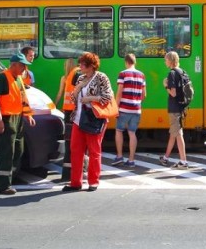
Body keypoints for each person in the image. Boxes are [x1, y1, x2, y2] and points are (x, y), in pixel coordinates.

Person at [62, 52, 114, 192]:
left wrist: (91, 98)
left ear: (91, 66)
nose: (80, 66)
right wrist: (77, 89)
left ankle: (93, 182)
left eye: (83, 64)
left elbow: (107, 97)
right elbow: (74, 100)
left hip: (94, 119)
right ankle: (75, 183)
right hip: (78, 119)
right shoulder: (80, 78)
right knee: (76, 151)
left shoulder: (101, 77)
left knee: (94, 151)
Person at [0, 53, 36, 195]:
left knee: (18, 150)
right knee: (7, 152)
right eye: (22, 65)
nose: (24, 68)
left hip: (18, 118)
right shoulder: (1, 78)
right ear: (14, 64)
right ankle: (3, 185)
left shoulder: (18, 79)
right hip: (6, 119)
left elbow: (22, 98)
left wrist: (28, 115)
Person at [112, 53, 146, 168]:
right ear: (134, 62)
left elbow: (119, 92)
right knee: (132, 133)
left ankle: (119, 156)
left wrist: (116, 106)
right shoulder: (142, 75)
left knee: (119, 130)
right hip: (136, 109)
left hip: (124, 108)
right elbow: (144, 95)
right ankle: (131, 160)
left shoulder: (123, 74)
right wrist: (137, 102)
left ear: (126, 62)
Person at [159, 51, 189, 169]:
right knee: (173, 132)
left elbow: (173, 93)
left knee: (178, 134)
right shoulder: (182, 71)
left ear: (170, 60)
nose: (164, 61)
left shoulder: (172, 73)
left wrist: (165, 85)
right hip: (181, 107)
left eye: (166, 59)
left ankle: (183, 161)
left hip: (174, 108)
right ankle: (166, 158)